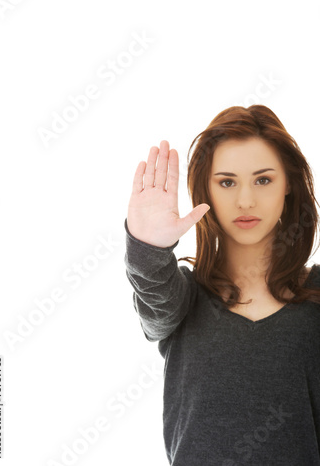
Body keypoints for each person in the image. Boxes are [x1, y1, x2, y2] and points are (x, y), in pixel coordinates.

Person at [124, 105, 320, 465]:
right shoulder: (183, 298)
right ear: (206, 190)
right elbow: (153, 298)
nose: (245, 200)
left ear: (288, 183)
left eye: (263, 179)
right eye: (227, 182)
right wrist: (148, 247)